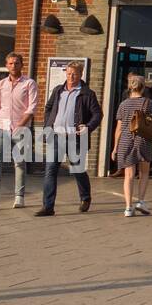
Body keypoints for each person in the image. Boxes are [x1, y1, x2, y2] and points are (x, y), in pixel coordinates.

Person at [36, 61, 102, 216]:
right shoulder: (58, 90)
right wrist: (48, 124)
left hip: (76, 138)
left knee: (77, 170)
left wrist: (88, 126)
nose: (71, 76)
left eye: (75, 74)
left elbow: (97, 114)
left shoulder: (87, 93)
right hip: (56, 136)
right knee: (50, 170)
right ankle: (48, 206)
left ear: (80, 74)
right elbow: (48, 108)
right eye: (69, 73)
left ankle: (85, 197)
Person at [0, 52, 37, 209]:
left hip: (20, 129)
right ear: (6, 65)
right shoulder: (1, 84)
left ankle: (19, 197)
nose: (13, 66)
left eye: (16, 63)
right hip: (1, 127)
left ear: (22, 65)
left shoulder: (29, 83)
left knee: (19, 163)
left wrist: (20, 126)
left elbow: (32, 107)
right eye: (10, 63)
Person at [112, 74, 152, 217]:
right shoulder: (148, 103)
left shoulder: (123, 104)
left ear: (129, 87)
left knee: (129, 175)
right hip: (144, 140)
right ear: (143, 88)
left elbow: (119, 128)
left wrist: (115, 147)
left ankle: (128, 207)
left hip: (126, 141)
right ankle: (141, 201)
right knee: (144, 172)